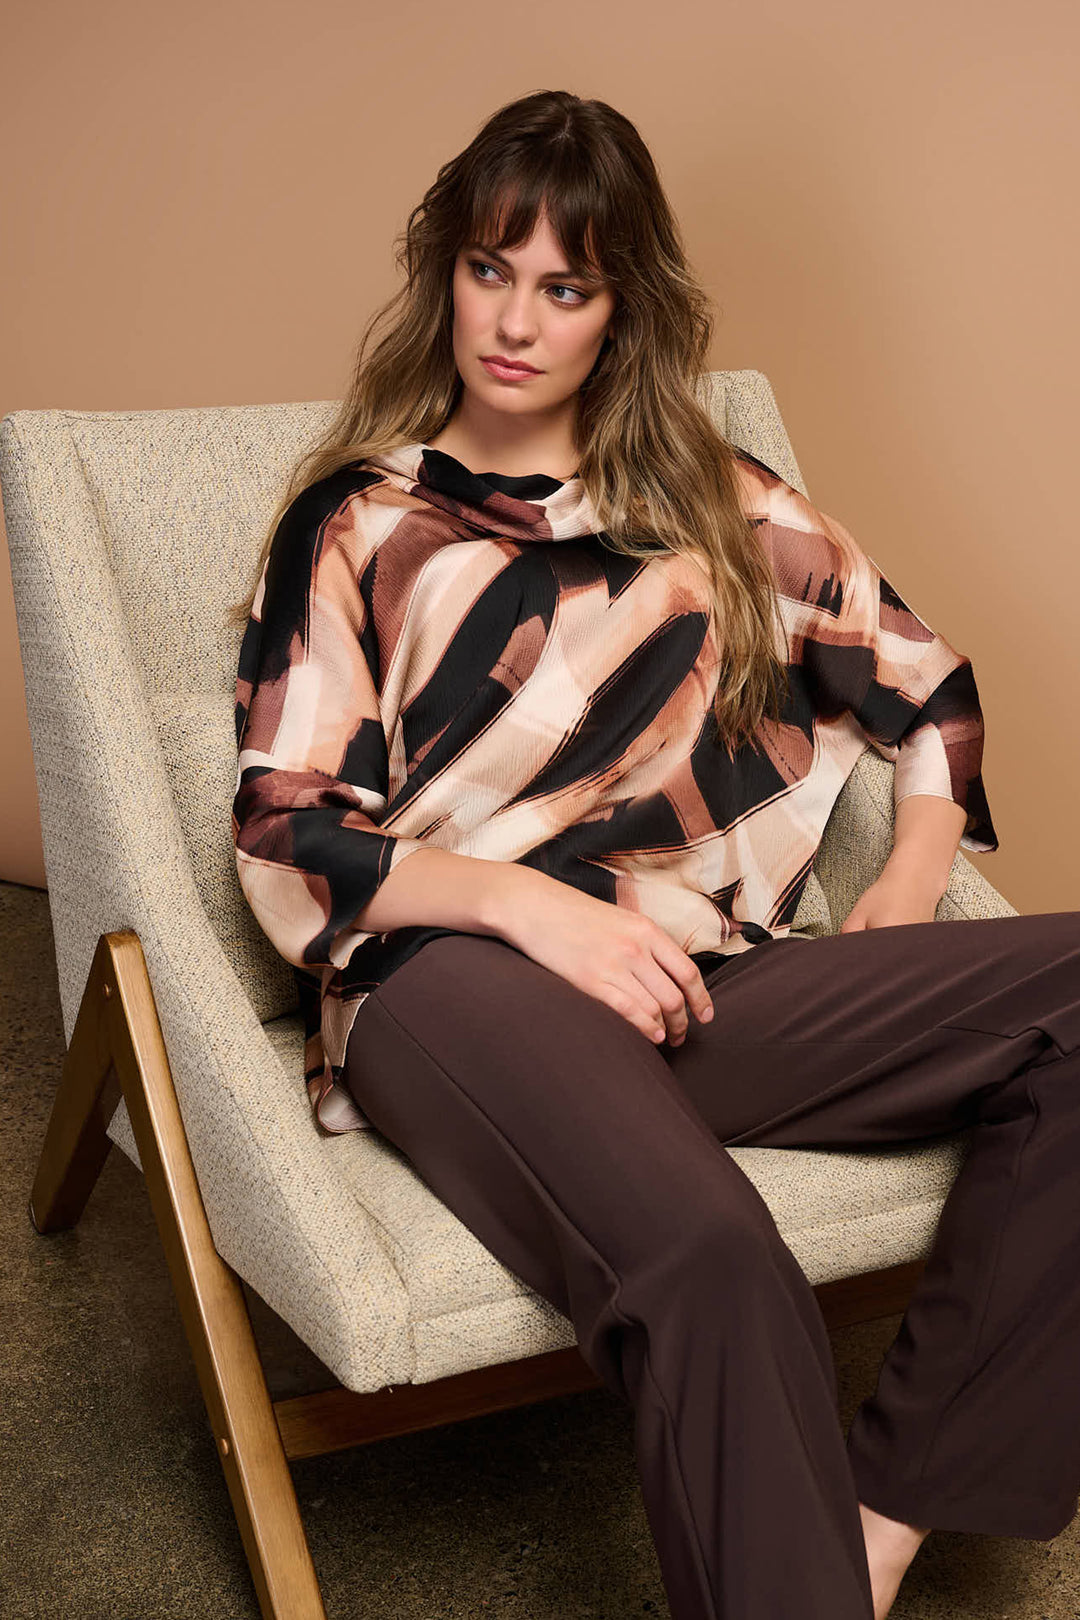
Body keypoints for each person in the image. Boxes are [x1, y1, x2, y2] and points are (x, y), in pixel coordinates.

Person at [230, 89, 1080, 1620]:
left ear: (620, 308)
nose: (515, 322)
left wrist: (906, 877)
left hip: (695, 985)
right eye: (491, 271)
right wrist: (529, 909)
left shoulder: (711, 500)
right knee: (712, 1255)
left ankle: (876, 1527)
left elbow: (927, 685)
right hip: (448, 985)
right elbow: (290, 833)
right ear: (444, 271)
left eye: (564, 286)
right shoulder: (359, 526)